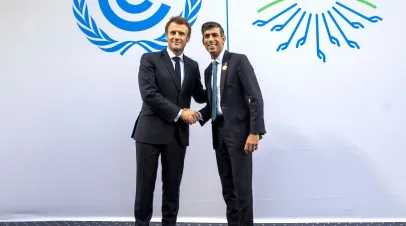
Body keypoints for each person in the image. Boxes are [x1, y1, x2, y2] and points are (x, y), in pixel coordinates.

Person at [130, 16, 206, 226]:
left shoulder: (193, 65)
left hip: (177, 136)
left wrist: (220, 84)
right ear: (166, 35)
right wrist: (180, 113)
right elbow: (149, 94)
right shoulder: (149, 59)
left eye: (181, 33)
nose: (176, 36)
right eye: (173, 32)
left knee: (172, 187)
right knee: (145, 187)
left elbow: (200, 95)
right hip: (149, 134)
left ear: (188, 38)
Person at [196, 21, 266, 226]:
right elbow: (213, 105)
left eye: (215, 35)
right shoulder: (208, 70)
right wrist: (196, 116)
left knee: (242, 188)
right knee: (228, 188)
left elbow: (256, 97)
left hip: (240, 135)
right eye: (207, 36)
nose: (211, 39)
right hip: (218, 134)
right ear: (203, 41)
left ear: (223, 38)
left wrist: (255, 132)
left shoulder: (238, 61)